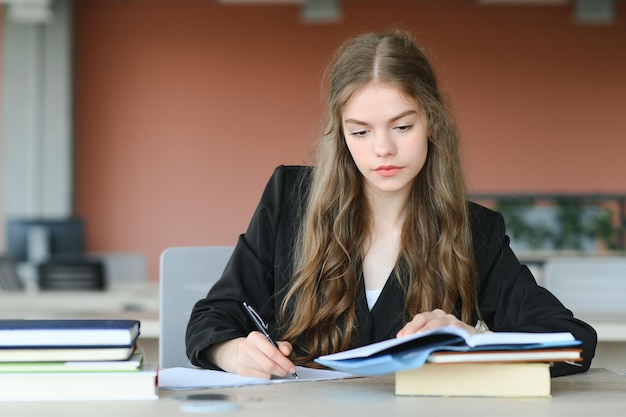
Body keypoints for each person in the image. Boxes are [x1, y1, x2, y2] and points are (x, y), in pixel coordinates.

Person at [185, 29, 596, 379]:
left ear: (431, 122)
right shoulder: (289, 198)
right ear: (340, 135)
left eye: (402, 126)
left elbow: (572, 339)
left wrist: (473, 341)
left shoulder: (474, 231)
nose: (383, 149)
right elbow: (212, 319)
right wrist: (234, 353)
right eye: (360, 132)